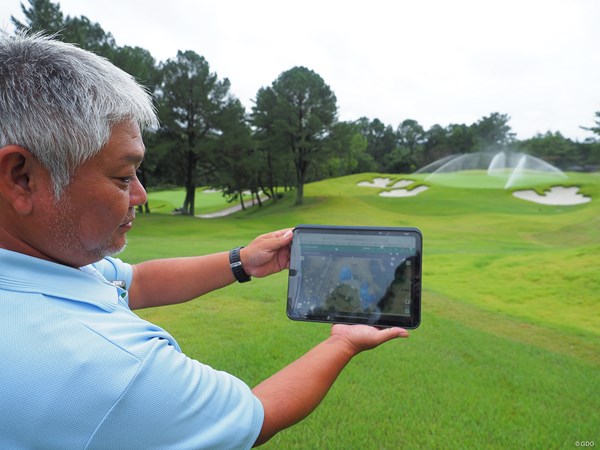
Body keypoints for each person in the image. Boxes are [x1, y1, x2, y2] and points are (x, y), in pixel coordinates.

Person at [0, 32, 409, 449]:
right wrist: (342, 342)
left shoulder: (39, 264)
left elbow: (135, 280)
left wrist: (242, 261)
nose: (140, 195)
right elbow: (257, 414)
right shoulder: (114, 368)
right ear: (22, 177)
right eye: (124, 177)